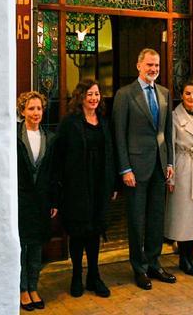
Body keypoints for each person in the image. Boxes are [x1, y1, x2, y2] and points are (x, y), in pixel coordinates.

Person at [112, 48, 175, 290]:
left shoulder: (165, 93)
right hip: (135, 170)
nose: (154, 69)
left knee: (156, 219)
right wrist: (125, 168)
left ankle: (154, 263)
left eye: (157, 65)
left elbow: (167, 132)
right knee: (137, 221)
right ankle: (138, 268)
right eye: (149, 65)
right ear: (139, 66)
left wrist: (170, 163)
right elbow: (119, 135)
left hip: (160, 166)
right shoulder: (125, 95)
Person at [53, 79, 117, 298]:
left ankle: (94, 276)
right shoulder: (69, 123)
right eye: (89, 94)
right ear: (80, 96)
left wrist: (112, 183)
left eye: (97, 94)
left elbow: (111, 153)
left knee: (95, 231)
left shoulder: (104, 122)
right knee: (78, 233)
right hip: (77, 185)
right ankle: (76, 276)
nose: (94, 98)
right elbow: (59, 157)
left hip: (100, 183)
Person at [17, 91, 57, 311]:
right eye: (31, 108)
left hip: (42, 201)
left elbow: (52, 173)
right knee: (22, 245)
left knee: (36, 246)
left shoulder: (49, 137)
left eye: (39, 108)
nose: (35, 113)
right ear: (22, 111)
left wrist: (53, 201)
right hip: (22, 200)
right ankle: (22, 289)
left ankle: (33, 286)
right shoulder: (14, 136)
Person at [165, 80, 193, 276]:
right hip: (182, 165)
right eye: (188, 93)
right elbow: (170, 147)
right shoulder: (174, 116)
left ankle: (191, 255)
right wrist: (171, 177)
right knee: (182, 214)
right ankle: (183, 257)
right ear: (181, 95)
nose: (192, 97)